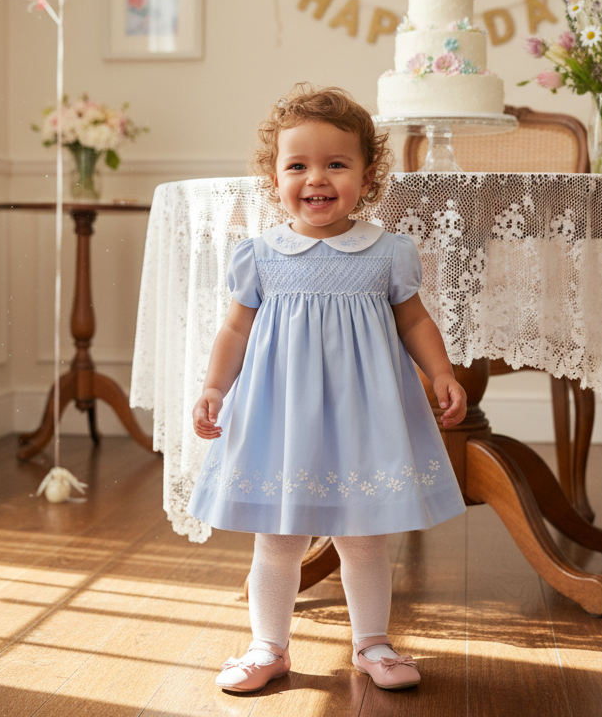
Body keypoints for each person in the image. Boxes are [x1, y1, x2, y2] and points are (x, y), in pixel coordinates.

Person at [188, 84, 468, 694]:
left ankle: (371, 642)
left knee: (363, 536)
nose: (316, 178)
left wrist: (441, 372)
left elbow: (415, 319)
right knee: (279, 538)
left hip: (363, 419)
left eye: (336, 164)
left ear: (367, 177)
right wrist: (214, 388)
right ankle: (269, 644)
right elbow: (236, 328)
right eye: (298, 165)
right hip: (282, 417)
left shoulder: (386, 252)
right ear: (274, 177)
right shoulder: (260, 255)